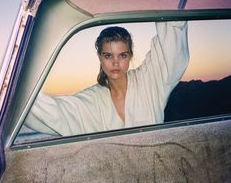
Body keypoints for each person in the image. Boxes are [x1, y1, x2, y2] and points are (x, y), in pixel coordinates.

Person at [25, 21, 189, 136]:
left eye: (122, 55)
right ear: (100, 57)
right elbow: (54, 112)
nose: (115, 62)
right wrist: (8, 93)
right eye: (108, 55)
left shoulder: (149, 81)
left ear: (130, 55)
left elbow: (171, 47)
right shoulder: (91, 100)